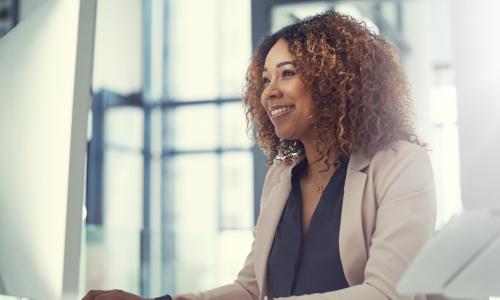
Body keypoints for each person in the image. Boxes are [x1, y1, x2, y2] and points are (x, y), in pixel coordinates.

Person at [83, 10, 436, 300]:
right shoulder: (282, 176)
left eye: (287, 73)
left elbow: (388, 292)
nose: (269, 93)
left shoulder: (400, 164)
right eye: (266, 80)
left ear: (335, 80)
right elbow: (250, 289)